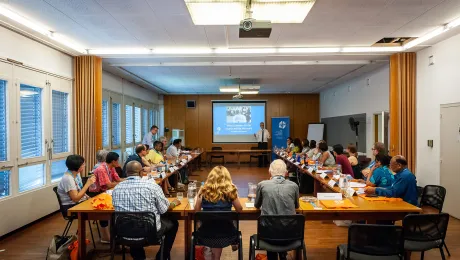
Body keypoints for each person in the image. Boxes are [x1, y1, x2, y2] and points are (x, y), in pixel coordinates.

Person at [112, 161, 181, 260]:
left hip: (124, 232)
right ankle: (161, 256)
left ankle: (139, 257)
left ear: (126, 173)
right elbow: (164, 210)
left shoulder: (117, 188)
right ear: (141, 173)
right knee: (174, 224)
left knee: (132, 222)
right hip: (150, 233)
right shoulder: (152, 186)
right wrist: (174, 203)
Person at [194, 166, 243, 260]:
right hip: (227, 235)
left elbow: (196, 211)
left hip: (206, 234)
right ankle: (232, 245)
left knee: (213, 226)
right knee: (223, 223)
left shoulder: (203, 190)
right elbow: (239, 209)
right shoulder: (231, 190)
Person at [255, 160, 299, 260]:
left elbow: (256, 205)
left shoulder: (262, 185)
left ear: (269, 172)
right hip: (290, 235)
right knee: (283, 223)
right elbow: (296, 206)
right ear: (286, 173)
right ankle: (283, 254)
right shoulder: (294, 186)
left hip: (268, 236)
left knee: (271, 226)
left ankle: (273, 255)